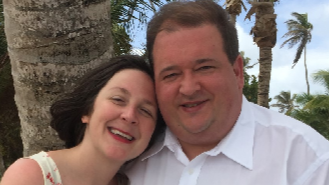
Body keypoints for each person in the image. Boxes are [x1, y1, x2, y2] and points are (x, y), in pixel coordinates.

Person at [125, 1, 329, 184]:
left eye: (204, 68)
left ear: (237, 72)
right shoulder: (126, 154)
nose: (188, 88)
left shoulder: (307, 161)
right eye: (171, 74)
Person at [0, 55, 165, 185]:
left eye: (145, 110)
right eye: (118, 99)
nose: (129, 115)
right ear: (87, 110)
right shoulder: (31, 176)